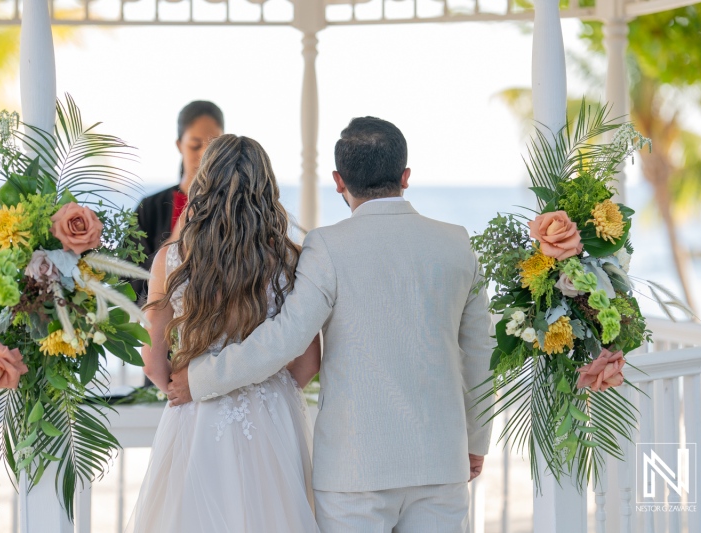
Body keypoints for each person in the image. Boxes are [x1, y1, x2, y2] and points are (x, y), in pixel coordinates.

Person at [167, 117, 495, 533]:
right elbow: (480, 352)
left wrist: (202, 378)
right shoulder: (456, 242)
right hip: (440, 462)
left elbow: (285, 337)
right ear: (406, 176)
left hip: (352, 471)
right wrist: (476, 441)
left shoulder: (328, 245)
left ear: (339, 181)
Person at [126, 134, 321, 533]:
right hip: (272, 416)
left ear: (203, 184)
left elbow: (150, 357)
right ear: (266, 189)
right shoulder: (288, 260)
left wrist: (178, 387)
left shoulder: (173, 258)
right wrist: (272, 387)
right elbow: (308, 363)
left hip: (195, 415)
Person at [130, 101, 224, 304]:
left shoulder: (235, 207)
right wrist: (173, 243)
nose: (205, 155)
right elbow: (128, 284)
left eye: (214, 145)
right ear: (179, 145)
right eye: (195, 145)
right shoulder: (150, 209)